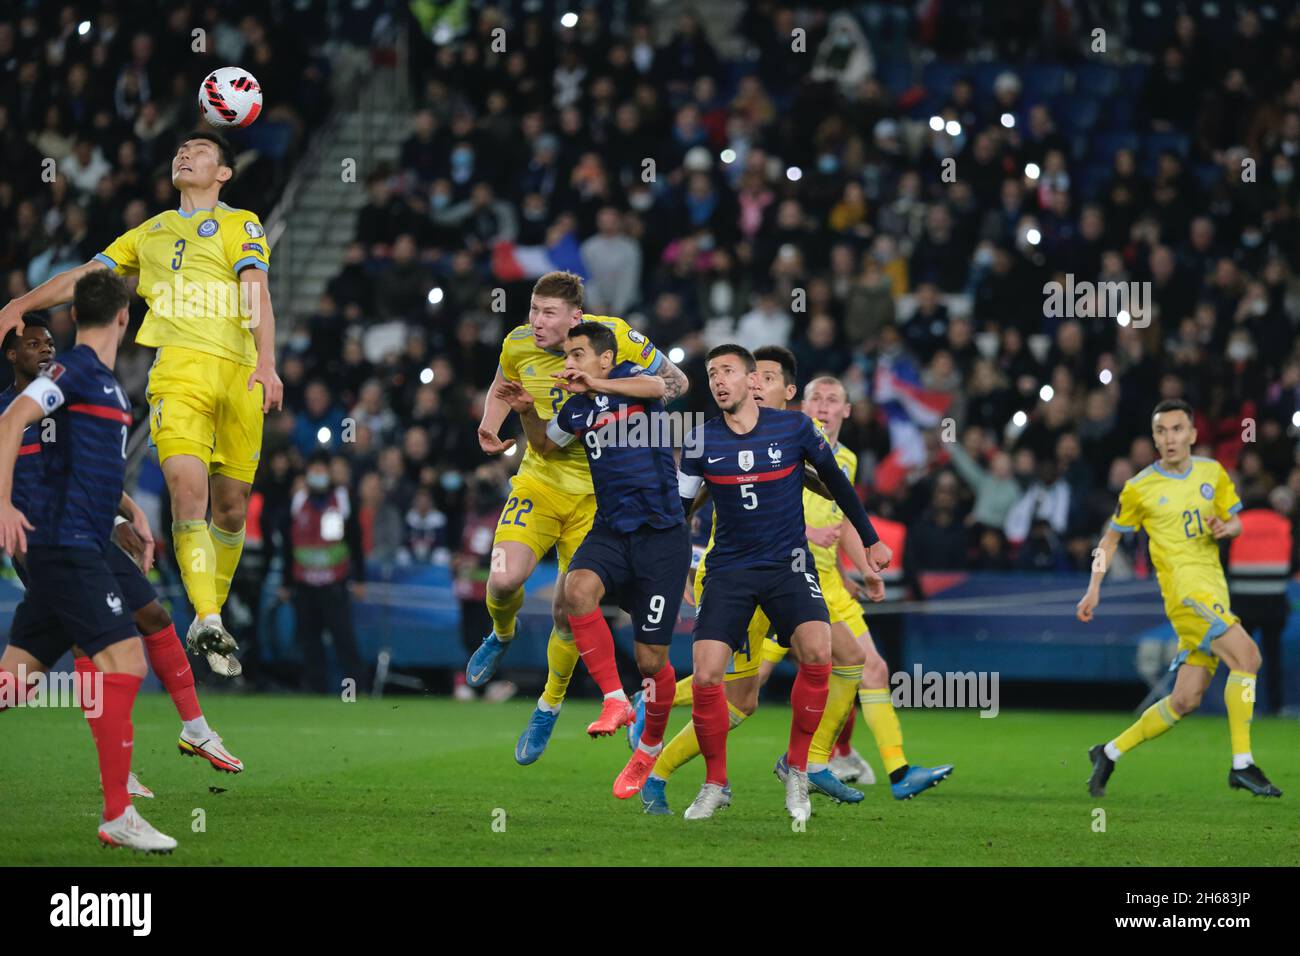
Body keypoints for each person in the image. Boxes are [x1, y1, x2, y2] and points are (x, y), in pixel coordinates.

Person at [0, 130, 285, 678]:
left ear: (223, 173)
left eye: (201, 151)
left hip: (240, 374)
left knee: (231, 506)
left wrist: (266, 361)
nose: (186, 154)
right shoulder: (148, 233)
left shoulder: (240, 223)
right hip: (177, 370)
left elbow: (256, 293)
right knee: (185, 487)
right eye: (182, 148)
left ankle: (213, 613)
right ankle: (204, 617)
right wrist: (21, 301)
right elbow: (87, 276)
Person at [631, 349, 892, 813]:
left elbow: (833, 483)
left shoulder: (793, 429)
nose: (717, 381)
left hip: (789, 566)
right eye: (711, 374)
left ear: (751, 381)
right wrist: (657, 561)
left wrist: (871, 541)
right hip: (728, 570)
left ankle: (799, 768)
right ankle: (714, 783)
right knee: (715, 680)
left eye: (727, 371)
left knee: (821, 654)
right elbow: (679, 511)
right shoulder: (700, 441)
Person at [0, 314, 242, 775]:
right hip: (40, 545)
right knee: (79, 652)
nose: (46, 350)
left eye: (50, 343)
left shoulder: (64, 401)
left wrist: (123, 512)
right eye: (33, 344)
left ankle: (194, 730)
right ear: (12, 355)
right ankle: (120, 771)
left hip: (83, 535)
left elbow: (86, 471)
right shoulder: (9, 411)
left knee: (151, 616)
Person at [465, 270, 688, 765]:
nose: (537, 322)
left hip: (599, 494)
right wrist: (489, 425)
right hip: (539, 478)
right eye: (533, 310)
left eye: (548, 314)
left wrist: (602, 385)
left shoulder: (613, 339)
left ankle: (549, 704)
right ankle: (501, 634)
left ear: (576, 319)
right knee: (503, 580)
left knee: (570, 609)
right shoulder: (517, 343)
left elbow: (677, 382)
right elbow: (503, 386)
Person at [0, 271, 175, 851]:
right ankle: (118, 812)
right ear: (125, 318)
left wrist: (128, 515)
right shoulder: (70, 373)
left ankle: (119, 808)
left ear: (75, 317)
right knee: (126, 662)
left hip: (68, 543)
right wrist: (2, 505)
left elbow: (82, 461)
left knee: (15, 681)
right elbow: (9, 423)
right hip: (67, 546)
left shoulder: (98, 381)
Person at [758, 373, 953, 800]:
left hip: (831, 583)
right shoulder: (781, 447)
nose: (824, 406)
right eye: (816, 398)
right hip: (791, 580)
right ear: (802, 406)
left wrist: (861, 569)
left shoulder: (844, 458)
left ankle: (897, 771)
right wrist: (808, 534)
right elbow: (766, 511)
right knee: (748, 687)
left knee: (872, 669)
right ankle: (655, 712)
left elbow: (841, 518)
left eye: (833, 400)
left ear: (847, 411)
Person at [1078, 399, 1281, 798]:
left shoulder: (1213, 472)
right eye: (1161, 431)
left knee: (1185, 699)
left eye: (1176, 429)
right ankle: (1242, 764)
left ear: (1191, 434)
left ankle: (1110, 751)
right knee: (1249, 657)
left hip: (1214, 592)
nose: (1169, 438)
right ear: (1155, 438)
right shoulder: (1140, 487)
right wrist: (1094, 585)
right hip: (1186, 596)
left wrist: (1229, 527)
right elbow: (1111, 537)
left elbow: (1236, 520)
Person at [281, 453, 366, 695]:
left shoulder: (342, 499)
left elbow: (355, 541)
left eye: (322, 470)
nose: (318, 475)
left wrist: (359, 579)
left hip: (334, 583)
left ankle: (355, 690)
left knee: (343, 639)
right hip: (304, 584)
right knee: (309, 641)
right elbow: (289, 545)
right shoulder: (298, 501)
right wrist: (286, 582)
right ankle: (315, 691)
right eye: (313, 470)